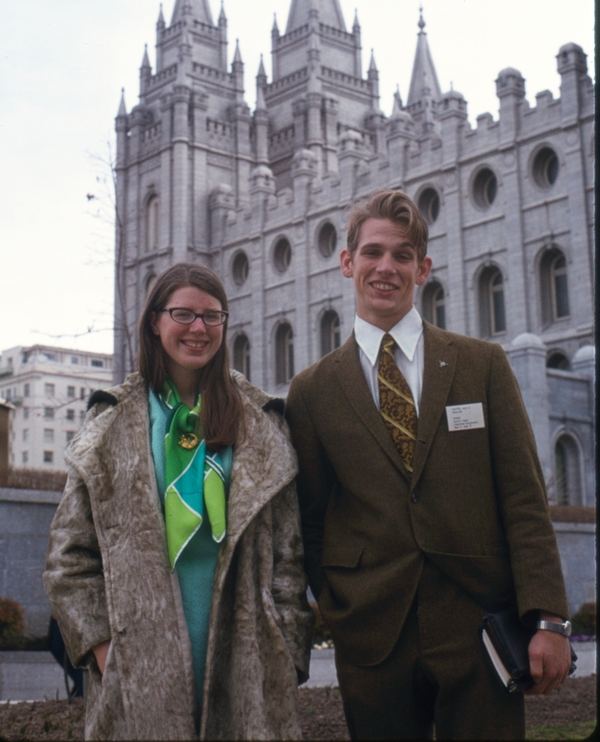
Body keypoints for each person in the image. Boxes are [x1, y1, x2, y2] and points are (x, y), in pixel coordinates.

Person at [286, 189, 572, 740]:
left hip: (479, 626)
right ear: (348, 263)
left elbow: (524, 500)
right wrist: (342, 604)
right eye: (372, 253)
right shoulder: (312, 391)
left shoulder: (481, 365)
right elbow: (312, 519)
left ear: (424, 268)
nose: (385, 268)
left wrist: (549, 619)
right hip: (372, 636)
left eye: (402, 255)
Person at [44, 262, 314, 741]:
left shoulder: (262, 420)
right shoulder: (110, 422)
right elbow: (70, 556)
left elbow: (289, 558)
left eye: (212, 316)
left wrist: (285, 650)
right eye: (183, 314)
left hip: (246, 664)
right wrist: (106, 650)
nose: (198, 328)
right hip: (137, 671)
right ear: (155, 321)